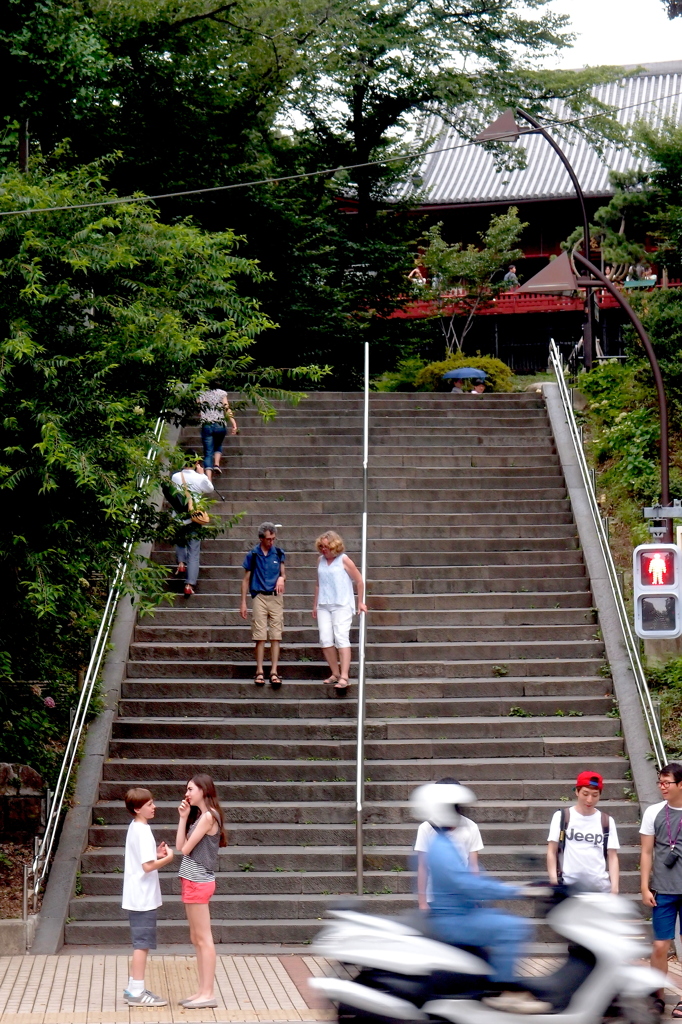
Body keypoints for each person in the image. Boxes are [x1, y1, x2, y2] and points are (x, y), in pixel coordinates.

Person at [412, 782, 549, 1013]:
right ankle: (505, 991)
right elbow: (467, 884)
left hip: (463, 912)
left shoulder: (443, 843)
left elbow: (474, 875)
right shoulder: (441, 848)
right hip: (454, 918)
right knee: (513, 927)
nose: (461, 812)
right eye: (456, 807)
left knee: (502, 921)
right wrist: (517, 891)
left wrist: (511, 888)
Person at [175, 774, 227, 1010]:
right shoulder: (200, 817)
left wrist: (187, 820)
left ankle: (208, 993)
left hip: (198, 880)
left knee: (203, 939)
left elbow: (185, 849)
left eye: (190, 789)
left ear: (203, 791)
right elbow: (180, 847)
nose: (187, 794)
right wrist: (183, 818)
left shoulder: (208, 817)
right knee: (197, 938)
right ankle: (202, 991)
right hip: (192, 880)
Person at [121, 787, 174, 1007]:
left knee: (141, 942)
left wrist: (156, 854)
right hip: (142, 896)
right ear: (137, 808)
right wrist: (168, 858)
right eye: (149, 804)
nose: (154, 807)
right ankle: (136, 991)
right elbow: (147, 866)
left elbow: (144, 858)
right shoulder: (142, 830)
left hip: (138, 895)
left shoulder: (137, 827)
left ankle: (134, 986)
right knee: (142, 944)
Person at [640, 762, 682, 1020]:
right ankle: (658, 997)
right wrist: (644, 886)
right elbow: (646, 852)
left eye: (667, 783)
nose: (662, 787)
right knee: (659, 946)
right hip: (663, 890)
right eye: (659, 782)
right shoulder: (654, 812)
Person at [414, 776, 484, 910]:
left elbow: (473, 866)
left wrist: (475, 897)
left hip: (461, 896)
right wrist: (422, 902)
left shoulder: (471, 826)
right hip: (434, 896)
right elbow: (422, 866)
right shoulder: (426, 828)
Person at [312, 530, 367, 695]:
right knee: (325, 639)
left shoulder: (343, 559)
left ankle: (344, 675)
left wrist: (360, 602)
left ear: (334, 546)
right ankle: (335, 673)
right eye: (321, 546)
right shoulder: (320, 560)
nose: (323, 549)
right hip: (324, 604)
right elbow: (318, 584)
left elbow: (359, 580)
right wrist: (315, 604)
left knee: (341, 637)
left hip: (342, 603)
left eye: (326, 546)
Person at [546, 770, 620, 893]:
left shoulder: (606, 821)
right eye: (585, 794)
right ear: (577, 791)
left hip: (600, 888)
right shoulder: (562, 817)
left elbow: (612, 856)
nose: (589, 800)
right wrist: (554, 881)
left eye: (595, 795)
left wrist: (615, 889)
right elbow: (551, 850)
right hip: (570, 888)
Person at [241, 522, 286, 688]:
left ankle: (274, 671)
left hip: (275, 597)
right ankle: (259, 670)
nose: (271, 542)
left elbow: (283, 573)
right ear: (261, 538)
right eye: (268, 539)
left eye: (273, 539)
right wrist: (244, 602)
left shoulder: (279, 553)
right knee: (259, 635)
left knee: (276, 634)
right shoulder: (253, 554)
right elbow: (246, 579)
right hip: (259, 595)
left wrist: (282, 578)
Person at [170, 454, 215, 597]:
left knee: (180, 542)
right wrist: (203, 475)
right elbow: (210, 489)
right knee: (194, 551)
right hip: (194, 518)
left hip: (178, 516)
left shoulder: (175, 477)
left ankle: (181, 563)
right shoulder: (199, 478)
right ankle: (189, 584)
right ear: (196, 462)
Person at [197, 388, 238, 482]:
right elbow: (226, 408)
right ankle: (216, 464)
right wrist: (234, 424)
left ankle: (209, 478)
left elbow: (199, 410)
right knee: (218, 444)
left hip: (206, 424)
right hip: (220, 424)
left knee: (208, 452)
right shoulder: (221, 393)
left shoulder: (201, 393)